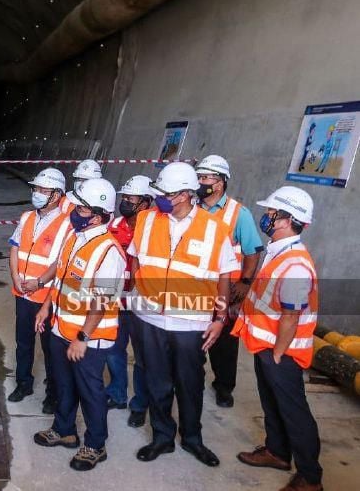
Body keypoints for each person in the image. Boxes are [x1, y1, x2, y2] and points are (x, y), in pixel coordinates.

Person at [127, 162, 238, 467]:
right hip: (151, 319)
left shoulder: (215, 228)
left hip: (191, 322)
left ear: (186, 195)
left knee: (190, 383)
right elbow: (136, 258)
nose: (160, 198)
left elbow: (225, 276)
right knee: (157, 381)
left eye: (167, 193)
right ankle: (162, 437)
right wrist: (140, 293)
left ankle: (192, 439)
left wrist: (219, 319)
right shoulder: (147, 220)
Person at [234, 186, 323, 491]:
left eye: (272, 213)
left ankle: (310, 477)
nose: (267, 217)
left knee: (293, 411)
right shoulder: (280, 251)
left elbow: (291, 315)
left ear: (286, 219)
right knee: (272, 403)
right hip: (266, 346)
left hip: (280, 352)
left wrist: (278, 353)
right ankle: (277, 452)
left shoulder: (295, 264)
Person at [34, 178, 125, 471]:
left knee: (90, 391)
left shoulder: (109, 252)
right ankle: (64, 430)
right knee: (65, 385)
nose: (73, 210)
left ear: (97, 216)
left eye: (81, 208)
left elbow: (102, 300)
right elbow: (60, 279)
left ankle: (96, 445)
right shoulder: (75, 237)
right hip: (61, 328)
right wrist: (46, 308)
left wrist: (82, 337)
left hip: (88, 338)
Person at [195, 155, 264, 407]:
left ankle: (224, 387)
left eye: (205, 178)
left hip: (226, 292)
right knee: (194, 340)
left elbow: (252, 250)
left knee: (224, 344)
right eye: (198, 177)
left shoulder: (238, 213)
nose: (200, 182)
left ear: (221, 182)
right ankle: (194, 379)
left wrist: (245, 282)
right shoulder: (192, 207)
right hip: (196, 291)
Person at [7, 167, 73, 415]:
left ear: (56, 195)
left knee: (51, 348)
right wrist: (15, 277)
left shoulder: (67, 224)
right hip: (22, 293)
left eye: (43, 190)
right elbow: (14, 248)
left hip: (46, 298)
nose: (37, 194)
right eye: (36, 189)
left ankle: (52, 394)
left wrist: (40, 282)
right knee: (23, 343)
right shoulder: (26, 217)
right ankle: (23, 383)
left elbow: (62, 262)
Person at [106, 175, 153, 427]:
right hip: (118, 300)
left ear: (146, 202)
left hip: (143, 303)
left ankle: (140, 404)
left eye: (130, 198)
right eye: (124, 197)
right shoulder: (113, 224)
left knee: (143, 357)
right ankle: (117, 394)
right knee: (114, 350)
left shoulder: (154, 229)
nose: (125, 202)